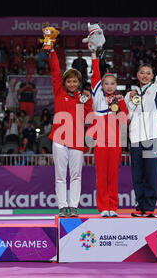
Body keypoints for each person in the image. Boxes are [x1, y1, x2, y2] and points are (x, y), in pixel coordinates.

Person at [124, 41, 157, 217]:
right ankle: (140, 206)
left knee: (151, 174)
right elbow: (127, 117)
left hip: (152, 138)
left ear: (152, 76)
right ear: (137, 75)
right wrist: (131, 101)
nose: (145, 76)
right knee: (137, 175)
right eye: (142, 73)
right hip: (135, 139)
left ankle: (149, 208)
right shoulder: (130, 94)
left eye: (148, 73)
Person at [48, 42, 93, 218]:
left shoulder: (83, 99)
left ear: (79, 83)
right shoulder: (59, 92)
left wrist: (87, 101)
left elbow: (88, 118)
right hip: (59, 140)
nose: (72, 83)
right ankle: (62, 206)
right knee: (60, 176)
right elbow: (55, 73)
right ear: (65, 82)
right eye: (69, 81)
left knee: (76, 176)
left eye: (75, 81)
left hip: (76, 140)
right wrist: (52, 51)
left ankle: (73, 206)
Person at [87, 43, 128, 217]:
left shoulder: (120, 99)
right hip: (101, 142)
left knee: (113, 176)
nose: (109, 86)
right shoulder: (97, 97)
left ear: (116, 85)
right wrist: (94, 54)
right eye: (106, 83)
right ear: (101, 85)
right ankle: (103, 207)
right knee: (101, 176)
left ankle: (113, 207)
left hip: (116, 142)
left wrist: (120, 106)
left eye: (112, 83)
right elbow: (95, 75)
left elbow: (125, 119)